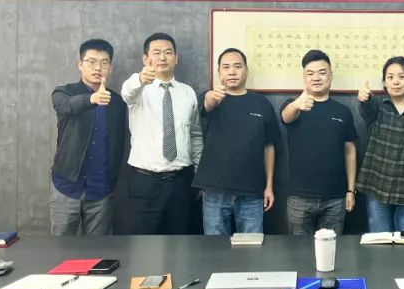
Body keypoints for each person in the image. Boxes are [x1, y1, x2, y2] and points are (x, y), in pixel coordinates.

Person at [121, 32, 203, 234]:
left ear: (176, 58)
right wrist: (140, 79)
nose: (162, 57)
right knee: (144, 244)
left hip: (181, 181)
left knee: (180, 242)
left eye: (168, 52)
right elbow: (127, 93)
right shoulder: (138, 90)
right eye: (156, 53)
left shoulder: (188, 92)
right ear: (145, 59)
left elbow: (195, 135)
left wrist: (199, 173)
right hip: (145, 183)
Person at [193, 48, 280, 235]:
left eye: (237, 66)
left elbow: (269, 147)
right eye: (226, 67)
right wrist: (212, 96)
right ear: (219, 72)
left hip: (252, 191)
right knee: (215, 248)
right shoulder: (213, 98)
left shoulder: (262, 104)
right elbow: (207, 104)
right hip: (215, 191)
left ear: (246, 70)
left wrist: (269, 186)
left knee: (252, 248)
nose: (232, 71)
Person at [49, 39, 129, 235]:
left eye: (104, 62)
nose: (97, 68)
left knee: (98, 249)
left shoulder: (117, 102)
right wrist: (91, 99)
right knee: (60, 246)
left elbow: (119, 144)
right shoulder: (64, 92)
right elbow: (65, 106)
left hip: (101, 190)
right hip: (66, 186)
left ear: (110, 68)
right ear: (80, 64)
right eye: (91, 62)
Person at [280, 50, 357, 235]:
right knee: (299, 251)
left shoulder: (343, 112)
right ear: (304, 77)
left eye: (322, 72)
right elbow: (286, 116)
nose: (316, 77)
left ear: (331, 75)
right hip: (299, 198)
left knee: (331, 250)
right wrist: (296, 105)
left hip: (335, 198)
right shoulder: (294, 106)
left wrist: (350, 190)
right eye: (310, 73)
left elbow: (350, 152)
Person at [356, 56, 404, 233]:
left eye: (401, 76)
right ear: (384, 82)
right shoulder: (377, 105)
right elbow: (365, 109)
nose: (396, 82)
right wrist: (364, 99)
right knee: (379, 245)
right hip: (377, 188)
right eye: (390, 77)